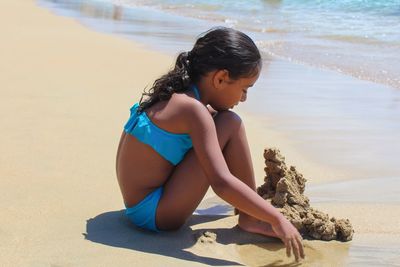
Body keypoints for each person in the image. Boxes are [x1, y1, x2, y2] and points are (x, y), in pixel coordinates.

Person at [116, 27, 305, 262]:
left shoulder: (179, 96)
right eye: (244, 89)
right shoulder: (194, 110)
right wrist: (278, 219)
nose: (244, 98)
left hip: (140, 205)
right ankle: (251, 218)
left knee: (226, 120)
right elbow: (221, 182)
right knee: (231, 122)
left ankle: (249, 216)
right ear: (220, 78)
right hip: (156, 214)